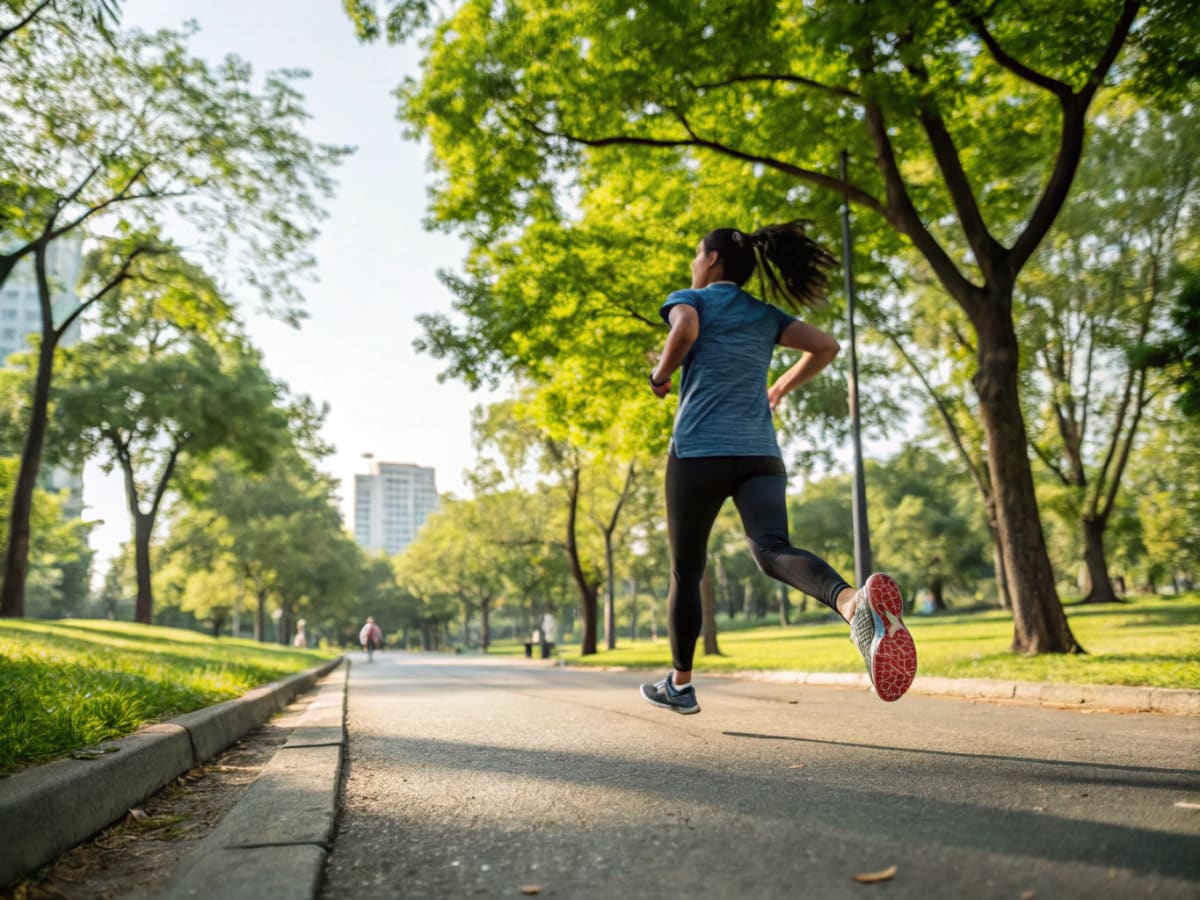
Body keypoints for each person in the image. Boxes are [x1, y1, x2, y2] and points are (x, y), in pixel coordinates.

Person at [639, 222, 917, 715]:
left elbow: (683, 330)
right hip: (759, 454)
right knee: (771, 550)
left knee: (687, 567)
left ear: (712, 261)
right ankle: (854, 604)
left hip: (699, 451)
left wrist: (660, 376)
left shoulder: (690, 299)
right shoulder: (766, 315)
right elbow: (827, 346)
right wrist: (781, 386)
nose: (693, 264)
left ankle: (680, 683)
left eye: (696, 255)